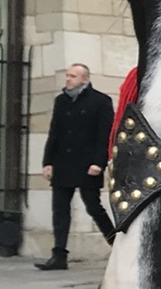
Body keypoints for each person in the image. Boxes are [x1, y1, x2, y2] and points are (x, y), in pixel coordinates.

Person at [35, 62, 115, 269]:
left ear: (84, 79)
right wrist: (48, 162)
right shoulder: (61, 101)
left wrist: (99, 162)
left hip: (88, 164)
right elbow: (54, 133)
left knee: (94, 207)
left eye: (73, 76)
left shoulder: (100, 101)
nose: (68, 79)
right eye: (67, 75)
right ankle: (59, 255)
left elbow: (104, 135)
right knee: (60, 209)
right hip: (63, 162)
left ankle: (116, 246)